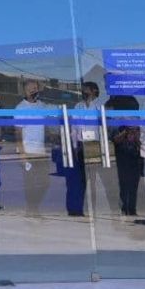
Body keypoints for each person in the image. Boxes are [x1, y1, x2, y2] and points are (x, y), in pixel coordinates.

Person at [56, 81, 101, 217]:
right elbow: (74, 129)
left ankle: (92, 209)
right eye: (83, 90)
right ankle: (77, 209)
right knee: (79, 180)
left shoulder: (99, 106)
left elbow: (102, 127)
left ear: (93, 91)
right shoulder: (78, 106)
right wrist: (75, 146)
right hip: (81, 145)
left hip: (93, 145)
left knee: (92, 179)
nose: (83, 92)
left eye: (86, 90)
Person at [14, 79, 50, 217]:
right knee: (30, 183)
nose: (33, 91)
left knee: (45, 182)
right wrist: (22, 155)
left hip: (41, 151)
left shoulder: (42, 106)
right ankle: (32, 209)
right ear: (25, 91)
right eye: (30, 89)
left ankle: (33, 207)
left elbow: (49, 122)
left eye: (35, 88)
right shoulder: (20, 108)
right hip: (28, 151)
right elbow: (18, 133)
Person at [105, 94, 142, 217]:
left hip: (136, 153)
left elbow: (141, 140)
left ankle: (132, 208)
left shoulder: (137, 120)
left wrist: (135, 134)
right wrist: (125, 132)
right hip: (122, 152)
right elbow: (114, 139)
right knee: (124, 181)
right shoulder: (116, 120)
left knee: (134, 182)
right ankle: (125, 207)